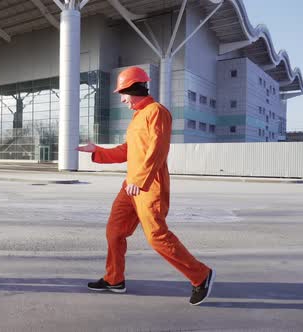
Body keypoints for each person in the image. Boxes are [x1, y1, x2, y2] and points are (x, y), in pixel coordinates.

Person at [77, 66, 215, 305]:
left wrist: (141, 180)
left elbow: (158, 150)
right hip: (129, 187)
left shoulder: (157, 112)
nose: (122, 99)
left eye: (123, 93)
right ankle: (114, 279)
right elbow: (127, 151)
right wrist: (97, 151)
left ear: (133, 88)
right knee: (114, 231)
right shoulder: (138, 116)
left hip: (149, 186)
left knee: (156, 236)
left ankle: (200, 275)